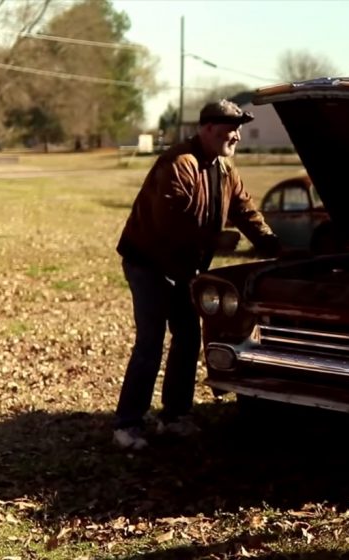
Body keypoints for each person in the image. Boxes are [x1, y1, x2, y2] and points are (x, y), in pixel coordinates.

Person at [112, 99, 282, 450]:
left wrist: (270, 244)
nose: (235, 136)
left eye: (238, 129)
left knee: (188, 338)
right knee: (150, 342)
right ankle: (127, 424)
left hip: (184, 268)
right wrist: (213, 239)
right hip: (149, 264)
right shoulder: (178, 163)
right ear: (206, 129)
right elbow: (168, 219)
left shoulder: (224, 168)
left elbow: (244, 209)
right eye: (229, 129)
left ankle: (174, 416)